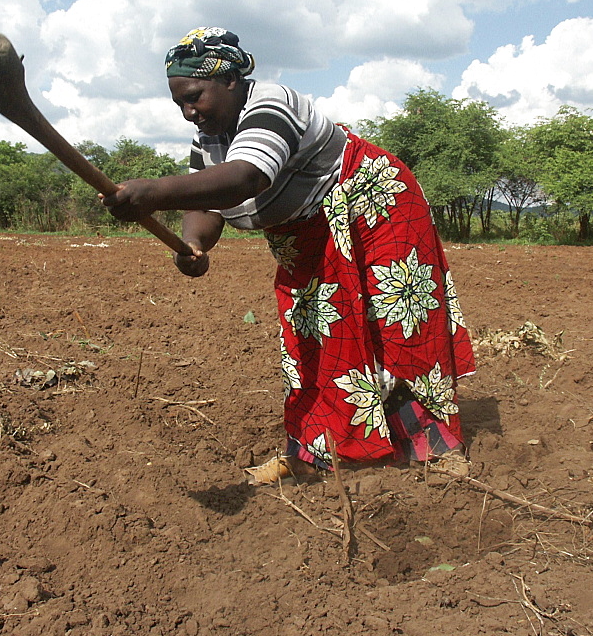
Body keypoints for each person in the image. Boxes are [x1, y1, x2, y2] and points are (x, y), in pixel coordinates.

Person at [101, 27, 475, 484]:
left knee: (398, 319)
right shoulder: (208, 138)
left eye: (194, 96)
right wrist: (195, 244)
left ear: (231, 82)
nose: (187, 112)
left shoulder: (272, 104)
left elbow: (246, 178)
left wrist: (151, 193)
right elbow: (204, 206)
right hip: (308, 231)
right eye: (179, 102)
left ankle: (432, 445)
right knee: (311, 334)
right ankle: (317, 453)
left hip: (376, 208)